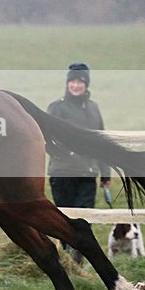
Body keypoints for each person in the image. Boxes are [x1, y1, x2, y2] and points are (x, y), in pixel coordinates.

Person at [47, 62, 111, 264]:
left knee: (84, 220)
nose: (76, 85)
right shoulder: (56, 108)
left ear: (86, 84)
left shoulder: (93, 108)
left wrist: (105, 173)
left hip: (88, 173)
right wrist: (66, 154)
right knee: (64, 220)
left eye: (80, 82)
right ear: (67, 83)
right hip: (63, 173)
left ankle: (78, 262)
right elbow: (47, 139)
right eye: (72, 81)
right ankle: (65, 261)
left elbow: (101, 141)